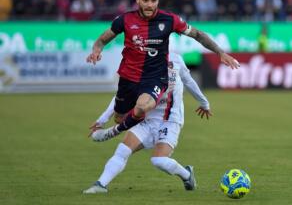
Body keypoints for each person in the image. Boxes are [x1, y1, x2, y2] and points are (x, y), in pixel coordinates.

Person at [86, 0, 239, 140]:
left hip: (155, 77)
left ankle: (113, 133)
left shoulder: (170, 20)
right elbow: (102, 40)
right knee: (120, 117)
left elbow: (198, 34)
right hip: (128, 77)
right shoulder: (124, 20)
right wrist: (96, 50)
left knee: (141, 107)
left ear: (158, 0)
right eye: (145, 0)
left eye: (153, 1)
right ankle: (141, 132)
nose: (149, 5)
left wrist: (220, 52)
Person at [83, 52, 211, 193]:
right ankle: (100, 185)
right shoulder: (141, 63)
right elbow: (122, 95)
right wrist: (102, 119)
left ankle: (187, 174)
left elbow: (188, 81)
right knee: (122, 150)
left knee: (158, 161)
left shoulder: (175, 59)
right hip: (148, 119)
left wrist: (204, 103)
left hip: (170, 120)